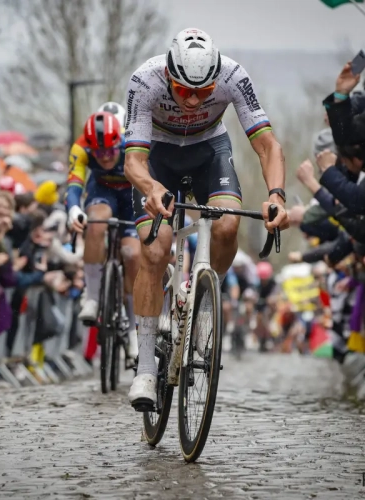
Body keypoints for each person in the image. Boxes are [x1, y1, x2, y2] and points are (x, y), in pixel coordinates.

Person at [123, 28, 289, 408]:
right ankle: (146, 367)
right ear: (168, 75)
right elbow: (133, 160)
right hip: (159, 157)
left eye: (205, 91)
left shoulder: (233, 76)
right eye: (184, 91)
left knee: (228, 224)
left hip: (208, 151)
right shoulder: (144, 81)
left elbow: (267, 145)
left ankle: (203, 304)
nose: (195, 100)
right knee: (155, 249)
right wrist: (149, 187)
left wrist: (276, 195)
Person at [67, 112, 139, 363]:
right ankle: (94, 297)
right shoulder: (81, 148)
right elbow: (74, 183)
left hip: (132, 197)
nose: (105, 156)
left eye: (110, 150)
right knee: (95, 224)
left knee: (132, 254)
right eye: (98, 153)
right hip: (102, 192)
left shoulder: (132, 143)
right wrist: (73, 208)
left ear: (118, 141)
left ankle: (133, 331)